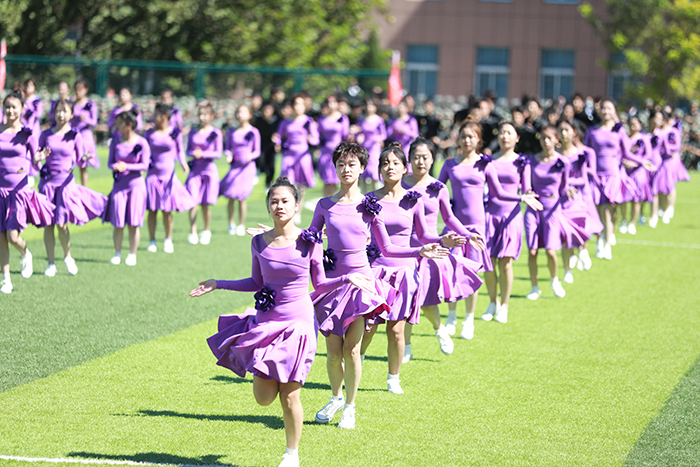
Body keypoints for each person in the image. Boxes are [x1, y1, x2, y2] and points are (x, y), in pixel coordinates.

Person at [191, 177, 371, 467]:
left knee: (290, 396)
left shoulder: (310, 241)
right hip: (266, 323)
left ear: (297, 205)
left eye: (285, 201)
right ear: (268, 206)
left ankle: (291, 455)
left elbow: (319, 284)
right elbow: (256, 281)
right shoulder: (258, 242)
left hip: (299, 325)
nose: (279, 206)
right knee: (263, 398)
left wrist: (346, 278)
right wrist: (219, 283)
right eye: (274, 201)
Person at [309, 142, 448, 429]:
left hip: (361, 285)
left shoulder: (370, 206)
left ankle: (350, 408)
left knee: (352, 350)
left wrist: (419, 250)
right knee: (333, 353)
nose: (346, 169)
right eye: (341, 164)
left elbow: (387, 248)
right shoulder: (324, 205)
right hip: (332, 285)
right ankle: (335, 398)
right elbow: (310, 239)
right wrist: (280, 234)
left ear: (362, 168)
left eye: (352, 164)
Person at [359, 143, 467, 393]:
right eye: (385, 163)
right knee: (369, 326)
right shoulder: (369, 200)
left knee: (397, 330)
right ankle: (357, 360)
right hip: (376, 270)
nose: (390, 167)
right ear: (379, 170)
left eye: (396, 163)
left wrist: (443, 240)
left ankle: (393, 379)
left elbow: (423, 235)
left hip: (405, 271)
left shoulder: (413, 201)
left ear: (404, 168)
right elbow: (358, 231)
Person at [439, 122, 540, 339]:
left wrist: (522, 197)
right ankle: (451, 317)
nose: (467, 140)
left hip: (478, 227)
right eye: (463, 136)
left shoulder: (485, 164)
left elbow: (499, 193)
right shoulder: (449, 164)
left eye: (471, 136)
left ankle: (469, 320)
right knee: (452, 270)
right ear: (458, 139)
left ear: (478, 139)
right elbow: (436, 190)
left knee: (473, 272)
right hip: (454, 226)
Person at [400, 138, 486, 361]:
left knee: (425, 298)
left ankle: (439, 329)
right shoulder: (399, 184)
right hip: (402, 250)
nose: (420, 162)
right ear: (409, 159)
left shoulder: (438, 188)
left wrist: (467, 234)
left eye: (425, 157)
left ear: (432, 159)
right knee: (407, 299)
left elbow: (449, 217)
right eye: (416, 157)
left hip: (430, 250)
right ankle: (406, 347)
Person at [36, 99, 107, 276]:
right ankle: (50, 263)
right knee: (48, 224)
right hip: (48, 184)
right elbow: (36, 155)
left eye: (64, 111)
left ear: (71, 114)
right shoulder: (46, 134)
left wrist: (86, 157)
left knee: (62, 224)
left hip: (65, 184)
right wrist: (38, 157)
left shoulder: (75, 135)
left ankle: (67, 257)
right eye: (58, 111)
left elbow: (80, 159)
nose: (60, 115)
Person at [482, 123, 543, 321]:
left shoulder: (522, 162)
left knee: (505, 262)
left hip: (511, 217)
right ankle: (492, 302)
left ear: (517, 138)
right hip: (490, 216)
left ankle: (505, 305)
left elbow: (526, 189)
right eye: (501, 133)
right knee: (488, 262)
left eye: (509, 133)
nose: (504, 136)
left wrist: (530, 195)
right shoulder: (488, 161)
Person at [584, 99, 654, 259]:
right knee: (598, 211)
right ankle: (599, 241)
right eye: (603, 108)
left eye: (609, 108)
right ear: (599, 110)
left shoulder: (619, 130)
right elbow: (586, 152)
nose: (605, 111)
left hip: (612, 174)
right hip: (595, 175)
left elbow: (627, 153)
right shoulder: (592, 130)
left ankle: (607, 244)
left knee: (608, 210)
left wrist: (642, 161)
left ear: (614, 111)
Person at [0, 91, 54, 293]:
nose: (10, 110)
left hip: (18, 191)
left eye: (14, 107)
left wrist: (40, 157)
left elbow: (34, 159)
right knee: (1, 237)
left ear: (22, 109)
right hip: (0, 191)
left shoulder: (27, 134)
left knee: (13, 236)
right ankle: (6, 279)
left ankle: (25, 254)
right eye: (7, 107)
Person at [524, 126, 586, 300]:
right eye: (543, 138)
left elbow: (563, 186)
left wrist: (568, 190)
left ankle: (554, 280)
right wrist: (527, 193)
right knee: (532, 251)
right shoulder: (531, 160)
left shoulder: (562, 162)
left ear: (556, 140)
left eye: (549, 138)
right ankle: (534, 287)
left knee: (551, 251)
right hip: (533, 208)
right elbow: (526, 184)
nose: (546, 141)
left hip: (552, 208)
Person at [101, 109, 150, 266]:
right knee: (118, 221)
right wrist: (115, 166)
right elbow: (110, 162)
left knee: (134, 223)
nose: (117, 127)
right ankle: (117, 253)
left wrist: (127, 166)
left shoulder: (142, 142)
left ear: (129, 125)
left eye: (120, 124)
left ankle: (132, 254)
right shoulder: (115, 142)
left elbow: (145, 165)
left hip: (136, 186)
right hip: (119, 186)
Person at [143, 103, 195, 254]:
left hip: (168, 176)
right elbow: (144, 151)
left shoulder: (174, 132)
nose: (153, 117)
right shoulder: (149, 133)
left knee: (167, 210)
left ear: (165, 116)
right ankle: (152, 241)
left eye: (156, 114)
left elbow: (180, 150)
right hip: (152, 175)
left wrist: (183, 163)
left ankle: (168, 239)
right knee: (152, 210)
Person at [557, 119, 603, 281]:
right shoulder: (555, 154)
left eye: (567, 130)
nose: (563, 133)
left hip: (576, 198)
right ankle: (567, 271)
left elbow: (583, 178)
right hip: (560, 200)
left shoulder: (580, 154)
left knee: (581, 228)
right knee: (564, 235)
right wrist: (562, 186)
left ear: (574, 133)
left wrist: (567, 183)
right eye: (561, 130)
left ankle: (582, 250)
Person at [276, 94, 319, 224]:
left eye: (301, 104)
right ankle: (289, 210)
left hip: (302, 155)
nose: (298, 107)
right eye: (296, 104)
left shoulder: (308, 121)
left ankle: (297, 212)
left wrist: (311, 139)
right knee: (287, 184)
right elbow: (279, 136)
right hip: (289, 155)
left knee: (300, 186)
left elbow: (316, 138)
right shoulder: (286, 121)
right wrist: (277, 143)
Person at [220, 104, 261, 236]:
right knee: (231, 195)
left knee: (242, 196)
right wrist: (229, 155)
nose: (240, 115)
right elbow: (227, 148)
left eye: (243, 112)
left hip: (247, 168)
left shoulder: (254, 131)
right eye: (238, 112)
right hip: (235, 167)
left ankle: (241, 224)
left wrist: (251, 156)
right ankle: (230, 223)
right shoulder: (232, 131)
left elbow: (257, 151)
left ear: (249, 115)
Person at [185, 102, 222, 245]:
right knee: (192, 202)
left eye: (205, 114)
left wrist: (204, 154)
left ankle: (206, 230)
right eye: (200, 114)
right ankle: (193, 231)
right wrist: (193, 153)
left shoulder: (215, 133)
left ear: (212, 116)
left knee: (205, 204)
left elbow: (218, 153)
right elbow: (188, 150)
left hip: (209, 171)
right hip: (195, 171)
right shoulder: (193, 132)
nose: (202, 117)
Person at [618, 116, 654, 235]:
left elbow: (648, 155)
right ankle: (623, 220)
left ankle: (632, 223)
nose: (633, 126)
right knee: (623, 198)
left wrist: (636, 163)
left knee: (636, 199)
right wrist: (625, 162)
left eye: (636, 123)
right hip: (625, 172)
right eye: (631, 124)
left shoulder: (644, 138)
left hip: (638, 172)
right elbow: (620, 153)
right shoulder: (625, 138)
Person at [317, 95, 350, 197]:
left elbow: (345, 136)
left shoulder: (343, 118)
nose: (331, 105)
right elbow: (318, 135)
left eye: (333, 102)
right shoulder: (322, 119)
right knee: (327, 181)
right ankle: (326, 203)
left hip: (338, 152)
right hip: (325, 151)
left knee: (336, 180)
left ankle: (334, 203)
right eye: (329, 103)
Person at [70, 79, 100, 186]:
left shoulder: (90, 104)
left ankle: (84, 188)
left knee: (83, 165)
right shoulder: (72, 104)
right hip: (73, 136)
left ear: (86, 90)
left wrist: (85, 119)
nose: (78, 92)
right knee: (69, 162)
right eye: (76, 89)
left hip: (85, 136)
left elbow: (94, 122)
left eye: (80, 89)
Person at [354, 98, 387, 192]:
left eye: (371, 105)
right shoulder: (361, 119)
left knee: (374, 171)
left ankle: (375, 194)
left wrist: (377, 138)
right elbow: (357, 131)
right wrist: (358, 136)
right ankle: (364, 195)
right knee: (363, 171)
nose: (369, 108)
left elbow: (384, 134)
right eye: (368, 105)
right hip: (364, 147)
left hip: (374, 148)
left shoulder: (379, 120)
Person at [253, 101, 280, 188]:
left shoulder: (276, 120)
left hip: (271, 146)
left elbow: (279, 132)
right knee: (261, 160)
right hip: (261, 145)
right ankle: (259, 172)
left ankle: (268, 184)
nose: (266, 112)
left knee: (271, 165)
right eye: (265, 110)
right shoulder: (258, 121)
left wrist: (277, 139)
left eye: (269, 110)